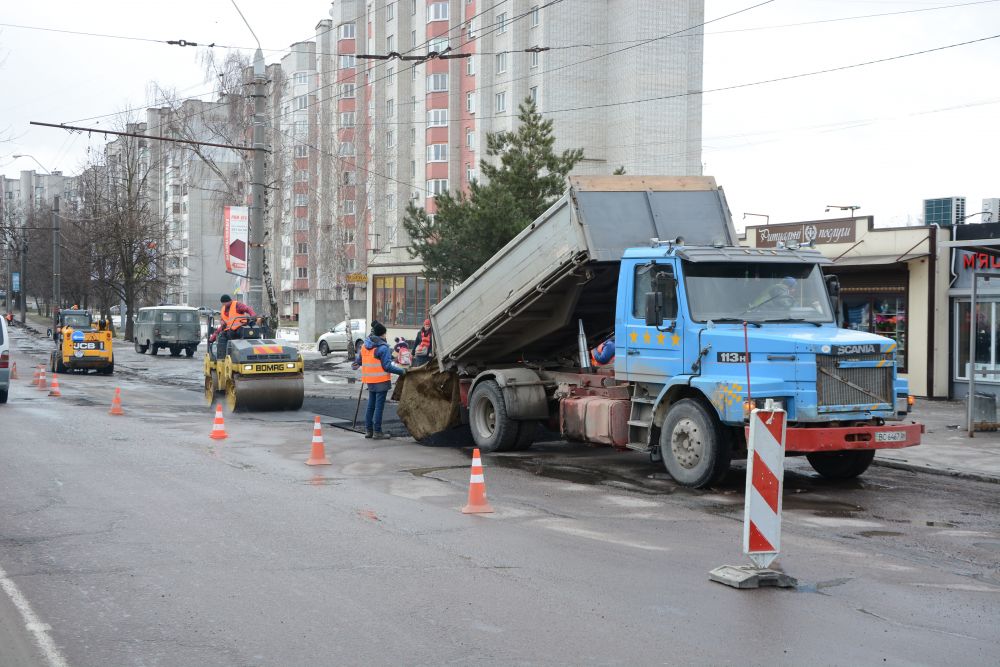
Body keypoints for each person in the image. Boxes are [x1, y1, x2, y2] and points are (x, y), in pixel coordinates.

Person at [352, 321, 406, 439]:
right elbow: (387, 366)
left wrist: (355, 364)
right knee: (379, 407)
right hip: (381, 381)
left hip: (370, 380)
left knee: (371, 405)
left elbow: (358, 362)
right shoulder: (383, 348)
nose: (385, 336)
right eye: (385, 334)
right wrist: (402, 372)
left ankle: (368, 431)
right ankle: (377, 432)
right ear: (382, 335)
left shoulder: (365, 346)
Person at [209, 294, 256, 360]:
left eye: (224, 303)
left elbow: (248, 309)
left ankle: (239, 356)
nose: (223, 305)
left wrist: (253, 316)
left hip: (240, 328)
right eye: (223, 303)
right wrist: (212, 338)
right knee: (222, 336)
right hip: (230, 331)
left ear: (228, 301)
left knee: (238, 336)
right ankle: (222, 358)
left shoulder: (237, 305)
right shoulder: (223, 310)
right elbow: (221, 327)